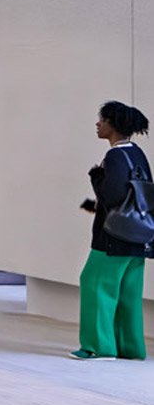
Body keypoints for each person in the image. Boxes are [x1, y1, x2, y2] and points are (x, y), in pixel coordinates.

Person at [71, 99, 152, 361]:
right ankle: (130, 348)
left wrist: (96, 175)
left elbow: (113, 195)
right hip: (138, 237)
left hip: (111, 239)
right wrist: (96, 204)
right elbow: (136, 195)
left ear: (113, 125)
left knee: (95, 284)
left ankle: (98, 346)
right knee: (128, 294)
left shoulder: (115, 155)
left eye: (102, 120)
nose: (98, 123)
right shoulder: (138, 153)